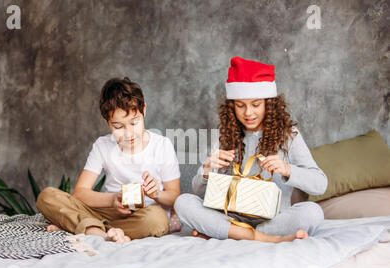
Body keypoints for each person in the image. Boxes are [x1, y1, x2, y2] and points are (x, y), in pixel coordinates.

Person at [174, 56, 328, 243]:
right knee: (184, 202)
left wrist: (288, 170)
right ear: (232, 107)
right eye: (240, 105)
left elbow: (320, 184)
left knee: (313, 212)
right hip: (230, 216)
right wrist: (206, 172)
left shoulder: (289, 135)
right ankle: (262, 238)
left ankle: (227, 233)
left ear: (268, 104)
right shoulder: (224, 134)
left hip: (274, 218)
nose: (248, 113)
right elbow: (200, 195)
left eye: (256, 105)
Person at [36, 77, 181, 243]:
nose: (129, 133)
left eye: (134, 122)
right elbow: (80, 193)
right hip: (108, 211)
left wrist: (156, 193)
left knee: (157, 219)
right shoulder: (102, 146)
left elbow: (174, 197)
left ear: (144, 111)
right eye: (118, 127)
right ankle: (102, 232)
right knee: (46, 196)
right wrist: (113, 200)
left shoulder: (162, 145)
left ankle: (89, 228)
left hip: (144, 213)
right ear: (107, 122)